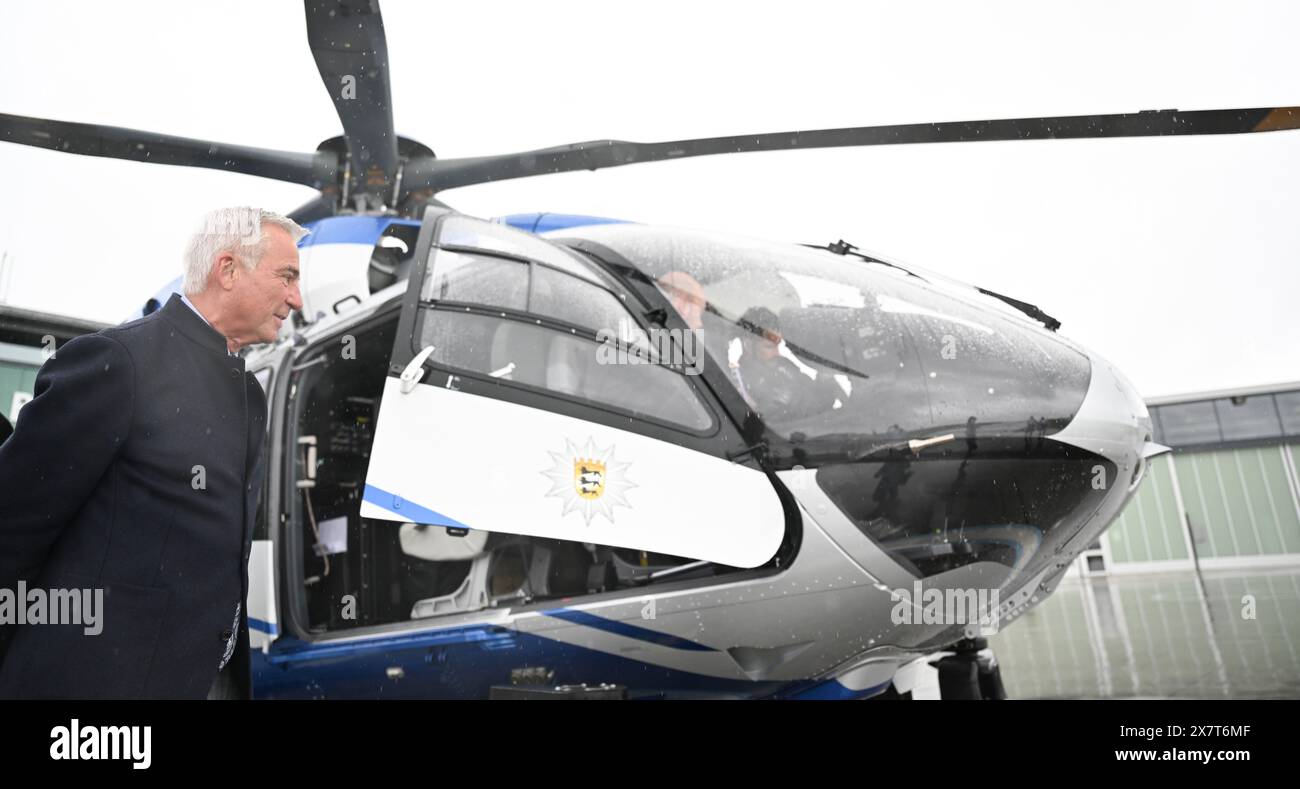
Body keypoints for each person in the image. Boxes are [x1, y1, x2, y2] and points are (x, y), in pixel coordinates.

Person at [0, 206, 307, 699]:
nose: (296, 297)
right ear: (227, 269)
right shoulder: (118, 362)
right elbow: (12, 524)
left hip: (207, 680)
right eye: (287, 276)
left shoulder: (249, 394)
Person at [732, 306, 839, 422]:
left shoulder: (783, 365)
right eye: (769, 347)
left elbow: (822, 401)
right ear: (748, 345)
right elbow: (765, 424)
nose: (777, 352)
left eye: (777, 346)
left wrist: (825, 379)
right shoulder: (739, 381)